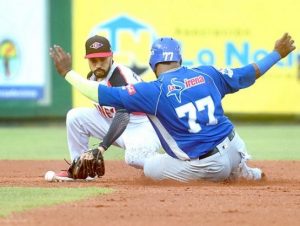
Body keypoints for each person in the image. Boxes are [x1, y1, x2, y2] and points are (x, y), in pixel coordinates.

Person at [50, 33, 295, 182]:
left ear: (152, 63)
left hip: (209, 165)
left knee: (151, 168)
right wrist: (276, 54)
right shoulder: (208, 73)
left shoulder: (153, 91)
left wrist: (67, 73)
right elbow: (248, 74)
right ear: (180, 59)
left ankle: (228, 173)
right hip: (236, 147)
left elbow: (101, 94)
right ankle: (244, 171)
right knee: (224, 151)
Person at [52, 35, 161, 181]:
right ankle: (79, 169)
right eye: (93, 60)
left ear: (111, 57)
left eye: (102, 59)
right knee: (75, 117)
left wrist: (102, 147)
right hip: (116, 124)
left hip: (143, 126)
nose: (98, 64)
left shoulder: (120, 78)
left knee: (134, 158)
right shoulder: (92, 77)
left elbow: (123, 115)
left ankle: (171, 165)